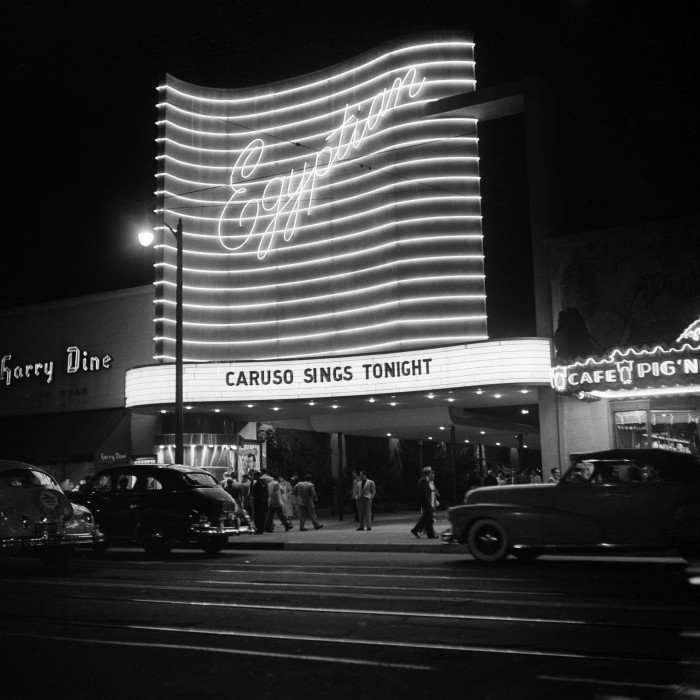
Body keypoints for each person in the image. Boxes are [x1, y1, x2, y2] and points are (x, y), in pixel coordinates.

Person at [411, 466, 439, 539]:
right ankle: (430, 534)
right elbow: (424, 494)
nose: (431, 474)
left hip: (426, 502)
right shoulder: (423, 480)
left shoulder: (425, 480)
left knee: (426, 518)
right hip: (426, 502)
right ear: (428, 473)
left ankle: (415, 530)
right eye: (430, 472)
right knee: (429, 518)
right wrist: (428, 502)